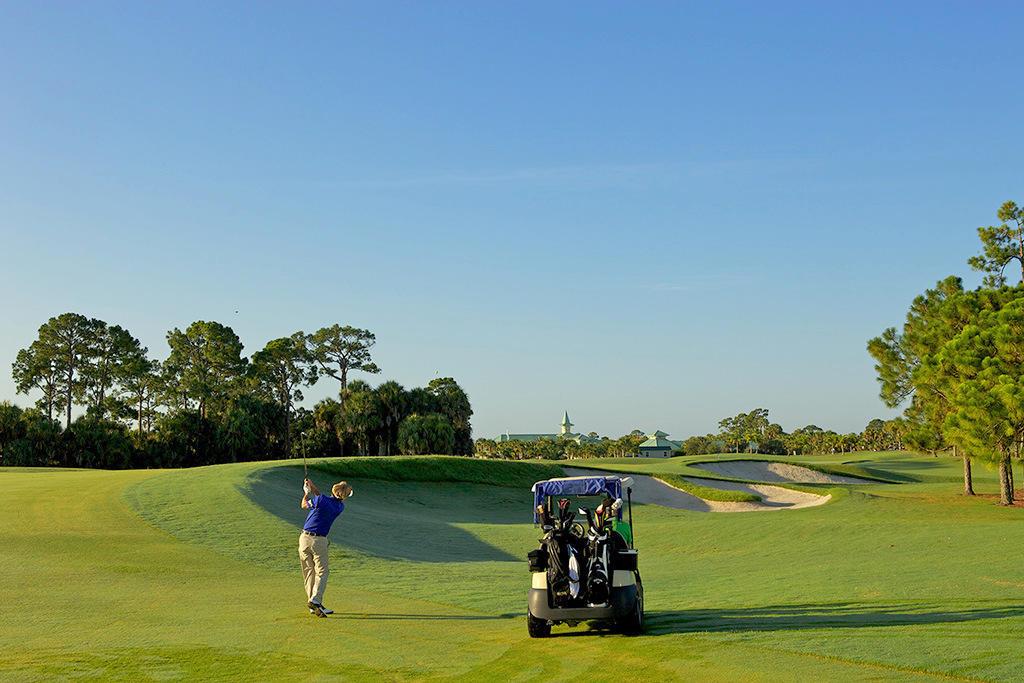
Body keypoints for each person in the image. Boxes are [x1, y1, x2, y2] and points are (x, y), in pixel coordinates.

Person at [299, 477, 352, 617]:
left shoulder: (321, 500)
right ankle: (315, 601)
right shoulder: (339, 507)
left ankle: (314, 604)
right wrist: (312, 486)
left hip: (304, 539)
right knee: (322, 572)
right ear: (344, 497)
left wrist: (305, 492)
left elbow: (304, 505)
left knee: (309, 572)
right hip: (319, 541)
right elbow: (320, 497)